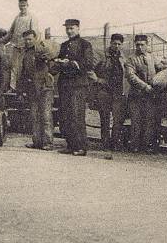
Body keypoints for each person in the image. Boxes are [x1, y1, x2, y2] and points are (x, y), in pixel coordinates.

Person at [53, 19, 95, 156]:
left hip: (78, 86)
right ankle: (71, 145)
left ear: (78, 28)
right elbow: (58, 63)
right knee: (66, 116)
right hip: (64, 85)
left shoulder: (85, 45)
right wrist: (57, 62)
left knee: (77, 116)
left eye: (72, 28)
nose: (69, 31)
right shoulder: (64, 45)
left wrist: (70, 63)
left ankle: (81, 147)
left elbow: (88, 64)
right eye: (67, 28)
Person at [126, 34, 166, 153]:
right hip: (136, 96)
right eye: (137, 45)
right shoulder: (131, 59)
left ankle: (148, 145)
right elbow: (131, 76)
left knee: (150, 120)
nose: (139, 47)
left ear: (147, 45)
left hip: (150, 96)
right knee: (136, 121)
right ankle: (134, 145)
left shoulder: (152, 57)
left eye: (142, 44)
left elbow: (160, 67)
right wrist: (145, 87)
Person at [19, 29, 55, 150]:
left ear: (35, 38)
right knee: (34, 116)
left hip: (45, 87)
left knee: (45, 115)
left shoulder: (41, 48)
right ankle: (37, 141)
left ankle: (48, 142)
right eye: (26, 39)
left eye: (30, 39)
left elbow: (51, 59)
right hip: (32, 88)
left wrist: (45, 56)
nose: (28, 41)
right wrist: (21, 89)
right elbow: (23, 72)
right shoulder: (26, 53)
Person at [94, 33, 128, 150]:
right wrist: (98, 80)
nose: (117, 46)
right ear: (110, 43)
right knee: (105, 118)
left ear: (122, 45)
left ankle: (115, 143)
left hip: (118, 91)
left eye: (119, 44)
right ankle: (105, 143)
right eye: (115, 43)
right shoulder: (102, 55)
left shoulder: (124, 58)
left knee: (118, 119)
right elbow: (90, 70)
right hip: (104, 91)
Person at [0, 0, 39, 91]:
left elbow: (34, 34)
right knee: (14, 68)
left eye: (24, 5)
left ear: (27, 5)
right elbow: (10, 33)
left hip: (26, 48)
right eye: (20, 6)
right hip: (16, 47)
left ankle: (25, 88)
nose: (22, 8)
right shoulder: (17, 18)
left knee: (25, 67)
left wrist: (31, 46)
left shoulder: (32, 17)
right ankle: (13, 88)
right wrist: (1, 41)